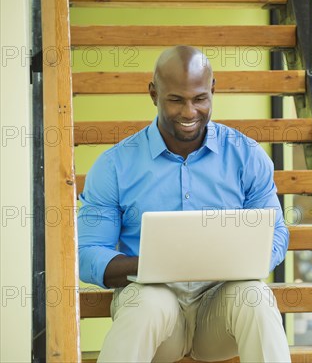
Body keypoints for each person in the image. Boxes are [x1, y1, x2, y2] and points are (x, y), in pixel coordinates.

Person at [78, 45, 291, 363]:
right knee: (145, 302)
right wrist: (154, 265)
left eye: (200, 99)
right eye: (176, 99)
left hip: (219, 313)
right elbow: (87, 253)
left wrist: (241, 258)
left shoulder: (246, 156)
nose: (189, 112)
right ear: (153, 94)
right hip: (156, 311)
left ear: (213, 90)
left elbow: (276, 232)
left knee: (256, 296)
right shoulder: (114, 166)